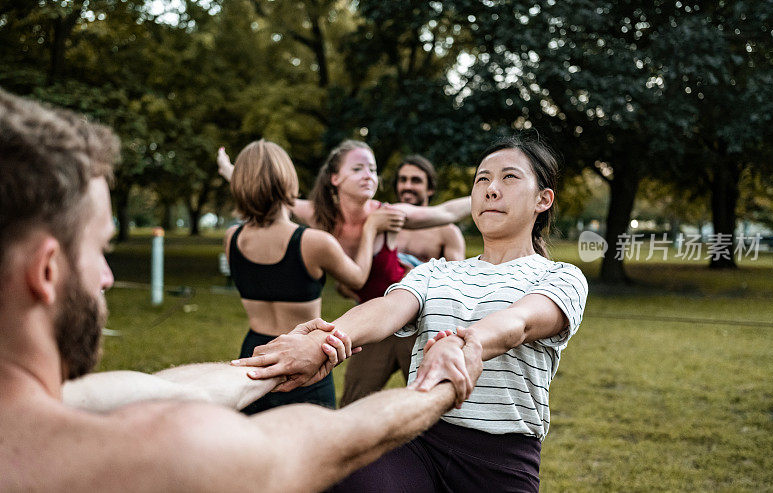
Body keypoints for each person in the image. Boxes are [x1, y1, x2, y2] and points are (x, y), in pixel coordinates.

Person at [0, 88, 483, 492]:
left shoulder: (75, 400)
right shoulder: (156, 450)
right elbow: (337, 436)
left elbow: (165, 387)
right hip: (311, 351)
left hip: (266, 348)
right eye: (102, 250)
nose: (108, 275)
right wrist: (438, 385)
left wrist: (279, 360)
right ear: (47, 271)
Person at [234, 135, 589, 491]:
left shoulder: (560, 276)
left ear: (543, 199)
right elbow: (388, 309)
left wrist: (468, 343)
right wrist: (322, 339)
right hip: (417, 439)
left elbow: (519, 323)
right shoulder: (437, 271)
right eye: (482, 179)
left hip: (499, 460)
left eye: (509, 178)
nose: (491, 189)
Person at [219, 140, 472, 405]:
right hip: (369, 323)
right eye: (358, 168)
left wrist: (488, 188)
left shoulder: (389, 215)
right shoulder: (320, 215)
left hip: (411, 320)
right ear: (335, 178)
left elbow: (445, 212)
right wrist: (232, 172)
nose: (368, 175)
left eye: (373, 169)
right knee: (352, 403)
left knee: (434, 399)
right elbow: (269, 188)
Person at [224, 139, 404, 413]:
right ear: (289, 181)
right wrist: (370, 229)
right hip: (303, 357)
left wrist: (231, 171)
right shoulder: (313, 242)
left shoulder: (231, 238)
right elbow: (357, 280)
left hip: (255, 354)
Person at [336, 154, 467, 406]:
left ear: (429, 188)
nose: (407, 186)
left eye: (416, 180)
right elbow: (349, 278)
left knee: (430, 402)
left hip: (421, 329)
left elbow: (457, 286)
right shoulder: (379, 222)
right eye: (403, 179)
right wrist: (352, 287)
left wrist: (415, 277)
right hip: (376, 326)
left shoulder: (446, 232)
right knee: (352, 402)